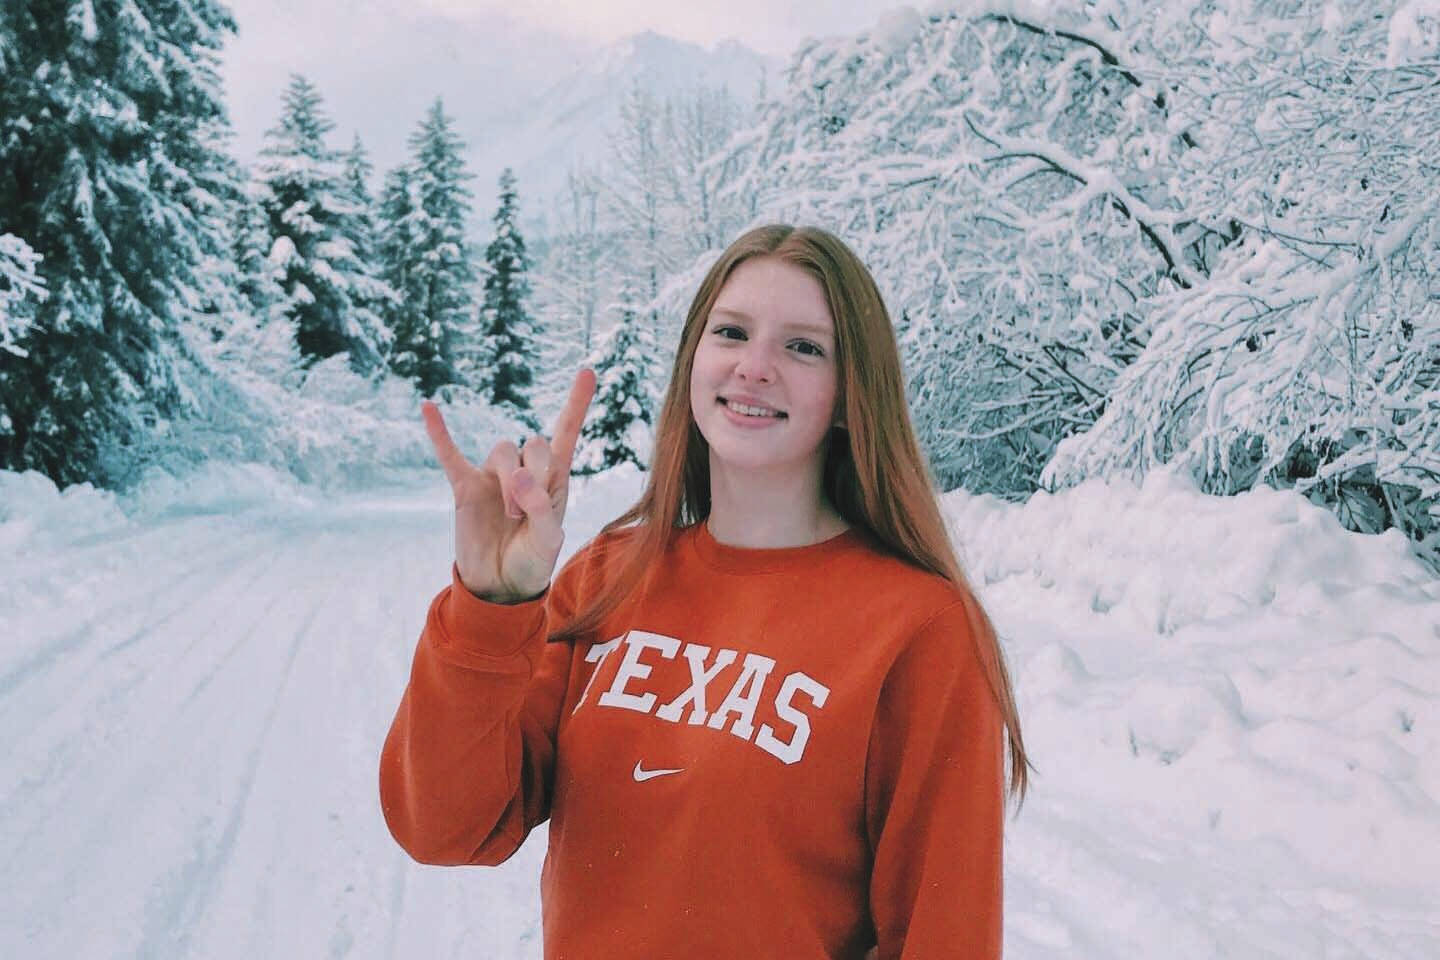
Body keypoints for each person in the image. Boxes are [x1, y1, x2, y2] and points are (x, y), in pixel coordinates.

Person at [379, 224, 1032, 959]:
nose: (755, 367)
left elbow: (946, 938)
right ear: (694, 360)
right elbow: (445, 827)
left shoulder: (920, 628)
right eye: (732, 332)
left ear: (853, 396)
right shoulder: (608, 576)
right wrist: (490, 607)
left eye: (803, 346)